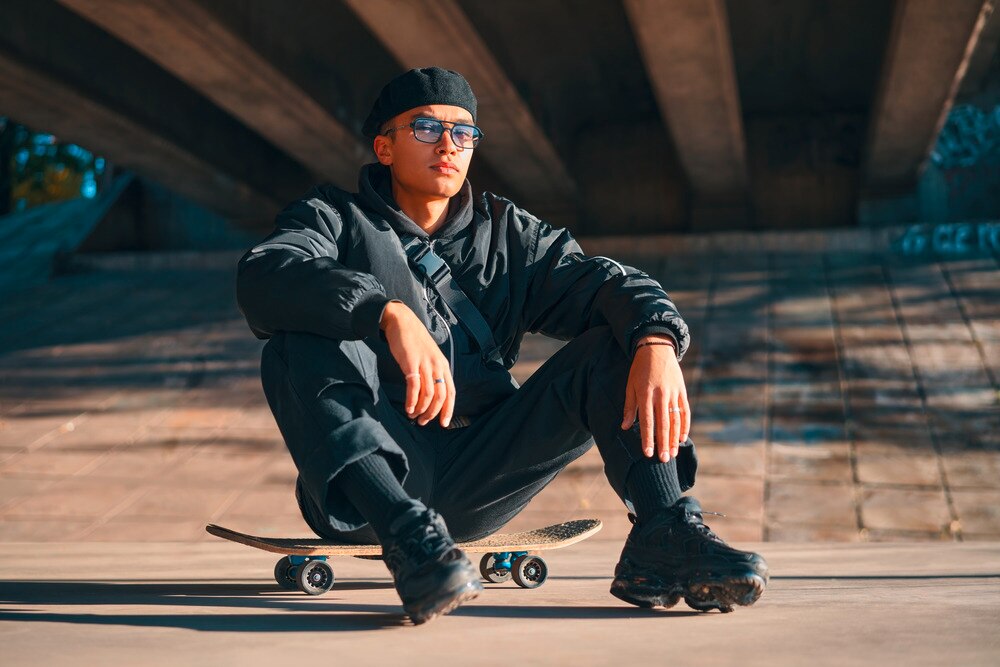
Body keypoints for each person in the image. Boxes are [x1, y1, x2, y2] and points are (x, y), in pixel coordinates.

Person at [236, 67, 768, 624]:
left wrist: (657, 339)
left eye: (463, 133)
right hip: (371, 479)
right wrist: (383, 310)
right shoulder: (333, 219)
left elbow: (606, 283)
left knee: (621, 340)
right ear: (384, 147)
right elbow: (266, 273)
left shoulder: (508, 234)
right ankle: (410, 544)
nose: (448, 144)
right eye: (425, 127)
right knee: (296, 338)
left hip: (482, 467)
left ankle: (663, 532)